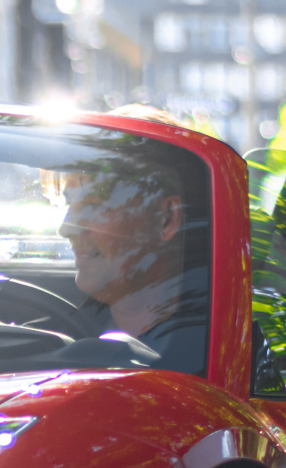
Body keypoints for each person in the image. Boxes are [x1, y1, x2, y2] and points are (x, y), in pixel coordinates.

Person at [56, 146, 208, 369]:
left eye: (93, 206)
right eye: (70, 204)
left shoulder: (210, 354)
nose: (65, 229)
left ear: (166, 218)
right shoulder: (61, 332)